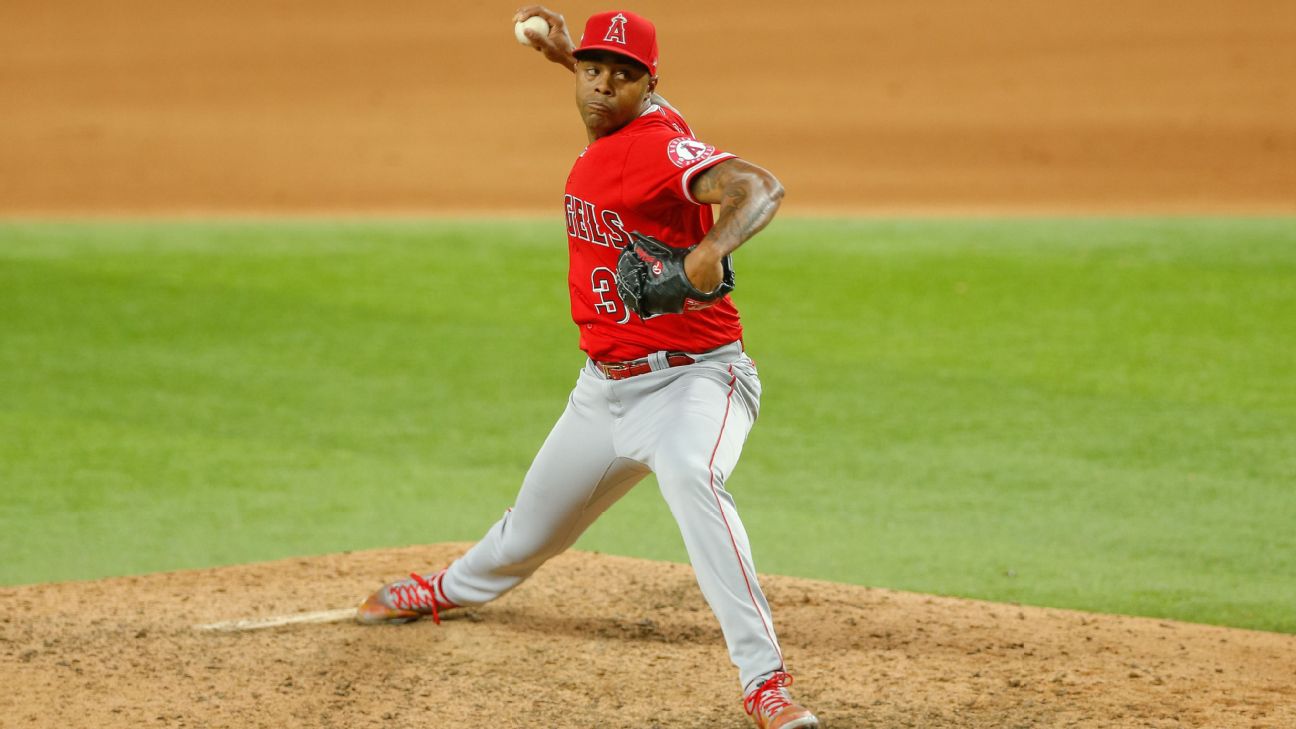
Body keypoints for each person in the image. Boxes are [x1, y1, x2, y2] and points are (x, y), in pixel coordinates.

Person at [357, 8, 819, 728]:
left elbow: (760, 187)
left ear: (651, 86)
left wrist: (704, 256)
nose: (602, 87)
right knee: (528, 532)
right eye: (592, 72)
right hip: (602, 391)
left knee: (692, 475)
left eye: (622, 75)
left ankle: (766, 682)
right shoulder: (625, 115)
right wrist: (567, 52)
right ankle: (449, 588)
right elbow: (608, 85)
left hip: (696, 379)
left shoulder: (659, 148)